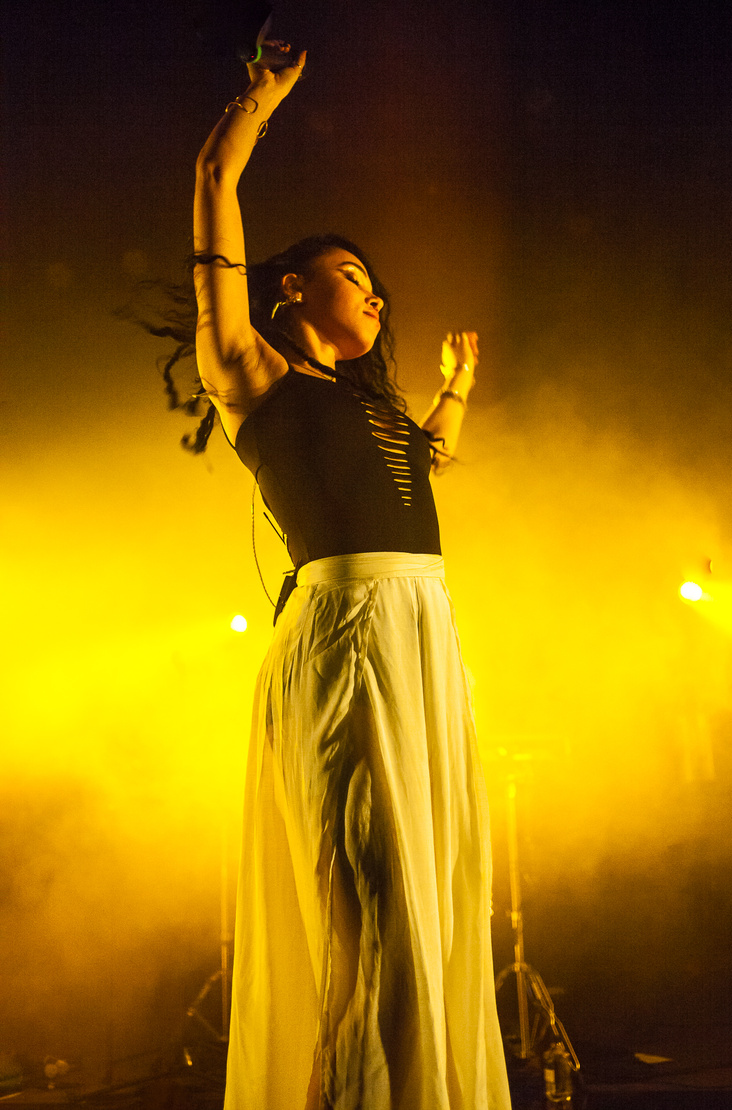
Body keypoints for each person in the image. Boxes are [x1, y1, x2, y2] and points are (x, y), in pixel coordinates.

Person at [193, 41, 512, 1110]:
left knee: (432, 897)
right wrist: (257, 103)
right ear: (292, 288)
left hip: (424, 632)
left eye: (377, 287)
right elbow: (214, 185)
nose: (375, 298)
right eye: (353, 278)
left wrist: (456, 387)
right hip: (344, 634)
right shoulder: (250, 372)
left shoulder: (369, 407)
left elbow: (425, 461)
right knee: (375, 915)